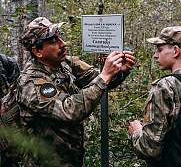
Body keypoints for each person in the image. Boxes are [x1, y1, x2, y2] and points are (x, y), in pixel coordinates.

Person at [17, 17, 135, 167]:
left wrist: (118, 71)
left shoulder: (64, 63)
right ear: (38, 51)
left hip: (70, 156)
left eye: (59, 36)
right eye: (53, 41)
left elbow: (96, 80)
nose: (62, 43)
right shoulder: (31, 82)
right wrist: (105, 75)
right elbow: (70, 110)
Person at [128, 26, 181, 167]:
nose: (155, 55)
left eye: (160, 49)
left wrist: (136, 132)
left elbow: (149, 148)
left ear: (176, 51)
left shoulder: (165, 87)